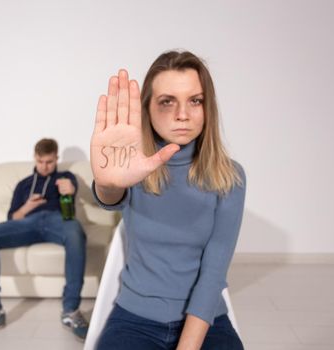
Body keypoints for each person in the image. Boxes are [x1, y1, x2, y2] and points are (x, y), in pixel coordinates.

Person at [90, 51, 246, 349]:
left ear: (207, 107)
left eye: (195, 101)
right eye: (167, 101)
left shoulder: (231, 177)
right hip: (134, 319)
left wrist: (187, 345)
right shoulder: (134, 165)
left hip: (204, 321)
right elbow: (111, 197)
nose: (183, 114)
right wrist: (106, 183)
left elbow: (214, 273)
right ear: (147, 107)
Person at [0, 138, 89, 340]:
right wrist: (28, 207)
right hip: (27, 222)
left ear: (56, 159)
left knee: (76, 231)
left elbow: (72, 188)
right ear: (35, 158)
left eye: (49, 162)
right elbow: (12, 218)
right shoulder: (24, 184)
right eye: (41, 161)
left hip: (57, 220)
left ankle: (71, 311)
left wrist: (71, 188)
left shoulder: (65, 176)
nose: (44, 166)